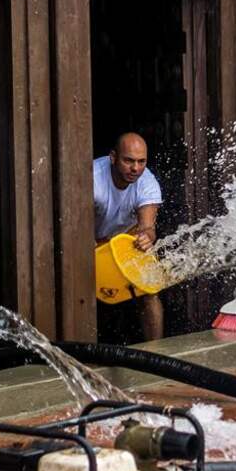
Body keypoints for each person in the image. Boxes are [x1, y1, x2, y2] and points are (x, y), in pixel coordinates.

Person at [93, 132, 164, 341]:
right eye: (129, 161)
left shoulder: (147, 182)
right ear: (113, 157)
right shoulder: (92, 179)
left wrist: (146, 237)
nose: (136, 168)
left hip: (126, 242)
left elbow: (148, 228)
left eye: (141, 162)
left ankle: (157, 353)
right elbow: (76, 233)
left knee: (149, 291)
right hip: (91, 245)